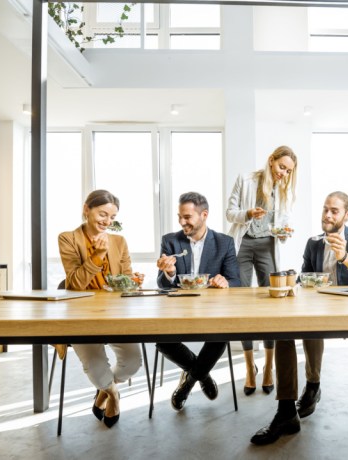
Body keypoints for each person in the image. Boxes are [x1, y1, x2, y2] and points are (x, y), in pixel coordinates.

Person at [251, 191, 348, 445]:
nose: (327, 215)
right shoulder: (313, 243)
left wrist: (346, 258)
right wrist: (293, 282)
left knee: (312, 322)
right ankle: (286, 411)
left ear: (347, 215)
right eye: (325, 209)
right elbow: (305, 278)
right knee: (284, 329)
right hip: (319, 306)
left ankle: (313, 385)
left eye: (334, 211)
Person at [58, 189, 143, 429]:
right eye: (102, 214)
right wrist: (96, 256)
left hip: (115, 313)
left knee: (133, 362)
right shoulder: (68, 238)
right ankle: (113, 395)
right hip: (80, 315)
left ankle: (103, 392)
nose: (107, 221)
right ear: (87, 209)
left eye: (112, 217)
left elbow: (125, 279)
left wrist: (133, 281)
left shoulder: (119, 241)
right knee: (95, 366)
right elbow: (74, 283)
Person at [156, 191, 242, 411]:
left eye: (187, 217)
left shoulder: (224, 242)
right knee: (161, 340)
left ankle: (187, 384)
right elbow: (163, 285)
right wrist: (170, 272)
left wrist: (226, 282)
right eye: (180, 217)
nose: (182, 222)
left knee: (221, 336)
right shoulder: (170, 241)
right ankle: (201, 375)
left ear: (204, 215)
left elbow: (236, 281)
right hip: (177, 310)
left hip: (212, 310)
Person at [226, 145, 298, 396]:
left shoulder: (284, 190)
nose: (284, 174)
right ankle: (249, 367)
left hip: (268, 245)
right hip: (243, 245)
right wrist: (248, 213)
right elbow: (229, 213)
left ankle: (268, 366)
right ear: (271, 161)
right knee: (242, 303)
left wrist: (285, 231)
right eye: (282, 167)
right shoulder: (245, 180)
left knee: (271, 303)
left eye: (288, 171)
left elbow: (285, 221)